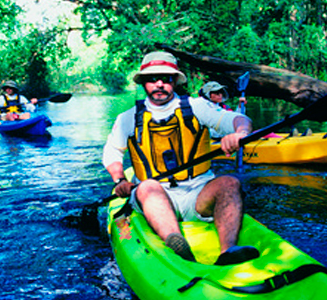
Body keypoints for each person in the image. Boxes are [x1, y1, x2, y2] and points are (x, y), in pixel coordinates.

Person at [102, 51, 259, 266]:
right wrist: (120, 179)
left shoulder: (197, 107)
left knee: (230, 183)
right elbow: (112, 152)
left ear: (174, 80)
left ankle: (228, 250)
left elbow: (239, 119)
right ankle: (176, 242)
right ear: (144, 83)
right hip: (155, 194)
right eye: (152, 79)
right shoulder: (128, 117)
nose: (159, 84)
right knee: (147, 187)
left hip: (198, 193)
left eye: (165, 78)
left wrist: (240, 133)